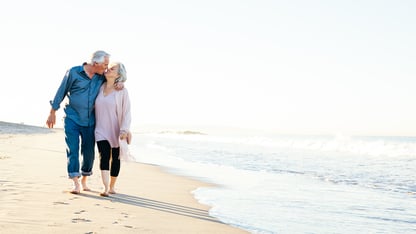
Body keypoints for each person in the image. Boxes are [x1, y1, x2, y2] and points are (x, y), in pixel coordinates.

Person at [46, 50, 122, 194]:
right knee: (72, 149)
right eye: (105, 64)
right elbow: (61, 91)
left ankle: (84, 180)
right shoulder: (74, 72)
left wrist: (120, 84)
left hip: (91, 121)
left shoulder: (101, 77)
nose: (106, 68)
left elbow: (114, 81)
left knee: (88, 153)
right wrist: (52, 112)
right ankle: (75, 182)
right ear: (95, 63)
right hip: (72, 118)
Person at [94, 62, 131, 197]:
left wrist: (124, 129)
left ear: (119, 74)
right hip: (100, 129)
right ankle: (104, 187)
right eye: (108, 67)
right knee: (103, 155)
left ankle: (112, 186)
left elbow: (127, 111)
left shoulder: (122, 91)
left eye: (113, 68)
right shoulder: (98, 86)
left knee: (115, 158)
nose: (108, 69)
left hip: (116, 129)